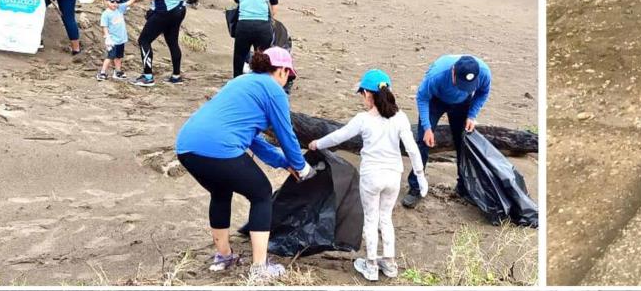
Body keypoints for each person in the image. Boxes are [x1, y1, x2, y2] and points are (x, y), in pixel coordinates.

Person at [175, 48, 313, 283]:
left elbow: (253, 140)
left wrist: (283, 162)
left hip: (187, 147)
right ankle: (259, 268)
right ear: (281, 70)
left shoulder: (241, 81)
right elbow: (286, 135)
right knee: (261, 193)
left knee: (220, 191)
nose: (287, 80)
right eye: (288, 75)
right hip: (219, 147)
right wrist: (301, 167)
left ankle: (224, 256)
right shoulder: (274, 91)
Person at [308, 69, 428, 282]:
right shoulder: (399, 118)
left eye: (362, 94)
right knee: (386, 218)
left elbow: (339, 136)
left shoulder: (363, 119)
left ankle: (371, 264)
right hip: (393, 176)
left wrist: (317, 143)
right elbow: (412, 149)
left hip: (372, 176)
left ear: (367, 94)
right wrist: (420, 175)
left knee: (371, 219)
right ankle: (389, 263)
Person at [402, 54, 491, 209]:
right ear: (453, 73)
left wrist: (472, 115)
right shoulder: (437, 75)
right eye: (461, 84)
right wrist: (428, 127)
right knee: (423, 141)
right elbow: (422, 98)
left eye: (468, 86)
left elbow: (483, 92)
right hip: (435, 101)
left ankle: (463, 186)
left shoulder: (483, 72)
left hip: (463, 103)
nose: (464, 87)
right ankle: (416, 187)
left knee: (463, 142)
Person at [131, 0, 188, 87]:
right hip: (180, 9)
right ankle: (176, 75)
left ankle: (148, 76)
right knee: (172, 41)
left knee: (144, 40)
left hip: (165, 11)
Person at [231, 0, 279, 78]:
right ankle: (261, 81)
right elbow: (274, 9)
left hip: (243, 25)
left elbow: (237, 0)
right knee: (263, 58)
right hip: (262, 27)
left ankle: (237, 80)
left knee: (239, 56)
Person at [98, 0, 136, 81]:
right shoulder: (106, 14)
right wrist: (107, 38)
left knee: (119, 56)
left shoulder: (119, 9)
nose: (115, 4)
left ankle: (117, 71)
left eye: (117, 1)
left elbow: (129, 2)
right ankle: (102, 72)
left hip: (121, 39)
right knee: (110, 56)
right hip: (112, 40)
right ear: (106, 1)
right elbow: (104, 26)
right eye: (112, 1)